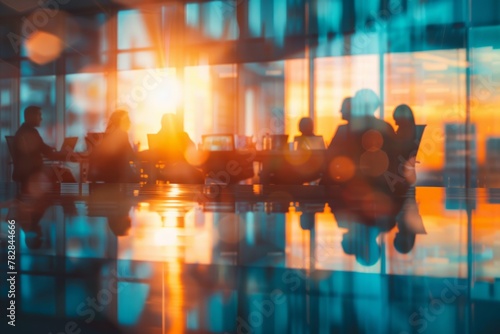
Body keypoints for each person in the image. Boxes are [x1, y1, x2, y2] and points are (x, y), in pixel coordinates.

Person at [12, 106, 75, 192]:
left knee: (59, 171)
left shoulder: (23, 131)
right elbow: (47, 152)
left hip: (26, 171)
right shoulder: (31, 132)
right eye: (39, 115)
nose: (41, 118)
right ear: (31, 116)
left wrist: (52, 151)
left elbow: (42, 148)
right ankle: (68, 201)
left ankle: (56, 200)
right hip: (33, 173)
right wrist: (61, 153)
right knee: (66, 174)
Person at [89, 110, 139, 183]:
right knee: (139, 177)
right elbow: (131, 156)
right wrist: (136, 150)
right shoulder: (122, 134)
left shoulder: (106, 135)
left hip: (105, 173)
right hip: (118, 173)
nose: (130, 122)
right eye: (128, 119)